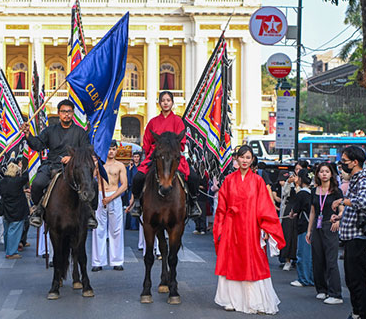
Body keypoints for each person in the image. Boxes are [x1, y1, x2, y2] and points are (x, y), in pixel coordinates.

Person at [213, 145, 285, 314]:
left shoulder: (258, 181)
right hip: (232, 227)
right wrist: (220, 228)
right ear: (236, 159)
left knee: (254, 261)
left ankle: (257, 302)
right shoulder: (229, 180)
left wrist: (266, 227)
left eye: (248, 158)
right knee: (232, 261)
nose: (244, 160)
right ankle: (230, 299)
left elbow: (265, 206)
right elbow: (221, 208)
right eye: (242, 157)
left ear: (252, 160)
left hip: (252, 227)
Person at [22, 99, 95, 229]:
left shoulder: (80, 132)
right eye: (63, 112)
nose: (66, 114)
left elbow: (85, 150)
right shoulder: (50, 130)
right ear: (58, 113)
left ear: (73, 113)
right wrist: (28, 135)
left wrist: (72, 157)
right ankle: (38, 210)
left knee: (92, 183)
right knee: (38, 183)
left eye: (69, 112)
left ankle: (90, 212)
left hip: (74, 168)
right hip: (52, 165)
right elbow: (38, 145)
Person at [129, 91, 201, 219]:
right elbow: (147, 141)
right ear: (159, 103)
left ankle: (193, 203)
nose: (166, 103)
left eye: (168, 100)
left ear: (172, 103)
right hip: (155, 156)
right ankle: (137, 203)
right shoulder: (153, 122)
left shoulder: (178, 121)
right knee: (137, 178)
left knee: (193, 177)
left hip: (173, 157)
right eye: (163, 100)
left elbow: (182, 142)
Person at [332, 145, 366, 319]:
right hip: (351, 235)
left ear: (355, 162)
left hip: (358, 236)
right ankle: (357, 312)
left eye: (344, 161)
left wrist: (342, 200)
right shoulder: (356, 178)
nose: (342, 165)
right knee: (351, 278)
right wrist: (340, 217)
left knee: (357, 279)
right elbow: (355, 207)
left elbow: (362, 202)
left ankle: (361, 313)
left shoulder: (362, 179)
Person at [306, 162, 344, 305]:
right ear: (317, 174)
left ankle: (336, 293)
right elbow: (313, 212)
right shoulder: (314, 190)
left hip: (330, 226)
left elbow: (342, 209)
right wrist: (309, 230)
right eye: (321, 171)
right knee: (318, 259)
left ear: (331, 174)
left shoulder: (336, 191)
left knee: (331, 260)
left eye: (327, 171)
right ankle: (322, 289)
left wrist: (339, 220)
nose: (324, 174)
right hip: (317, 226)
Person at [92, 142, 128, 272]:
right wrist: (95, 167)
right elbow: (91, 179)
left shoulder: (120, 166)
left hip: (115, 196)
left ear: (116, 150)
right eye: (109, 149)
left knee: (116, 230)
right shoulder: (99, 165)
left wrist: (111, 197)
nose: (111, 152)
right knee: (98, 229)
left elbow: (124, 185)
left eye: (113, 149)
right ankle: (98, 261)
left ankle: (117, 261)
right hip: (101, 196)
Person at [0, 162, 29, 259]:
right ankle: (11, 252)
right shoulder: (17, 181)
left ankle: (8, 249)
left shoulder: (2, 182)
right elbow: (26, 176)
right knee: (14, 231)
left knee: (7, 231)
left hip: (6, 208)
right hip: (17, 210)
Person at [289, 168, 313, 288]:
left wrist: (292, 213)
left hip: (304, 226)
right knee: (311, 256)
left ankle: (303, 279)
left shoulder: (301, 194)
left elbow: (294, 211)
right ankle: (311, 278)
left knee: (302, 254)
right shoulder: (313, 192)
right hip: (313, 227)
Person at [125, 151, 142, 231]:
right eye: (134, 157)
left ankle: (138, 225)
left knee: (139, 205)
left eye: (137, 157)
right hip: (132, 188)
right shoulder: (130, 167)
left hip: (139, 188)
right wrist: (130, 169)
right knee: (131, 204)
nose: (136, 158)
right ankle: (131, 225)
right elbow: (128, 179)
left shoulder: (141, 166)